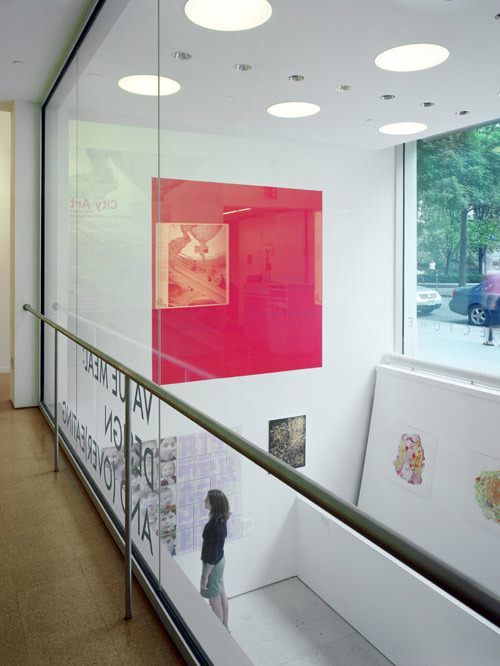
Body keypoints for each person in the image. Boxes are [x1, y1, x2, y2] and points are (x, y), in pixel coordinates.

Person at [200, 489, 230, 630]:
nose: (204, 501)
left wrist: (205, 577)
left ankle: (220, 633)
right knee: (221, 593)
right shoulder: (221, 519)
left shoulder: (214, 527)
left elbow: (211, 557)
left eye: (207, 499)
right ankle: (225, 627)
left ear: (214, 503)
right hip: (220, 561)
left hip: (213, 565)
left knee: (214, 601)